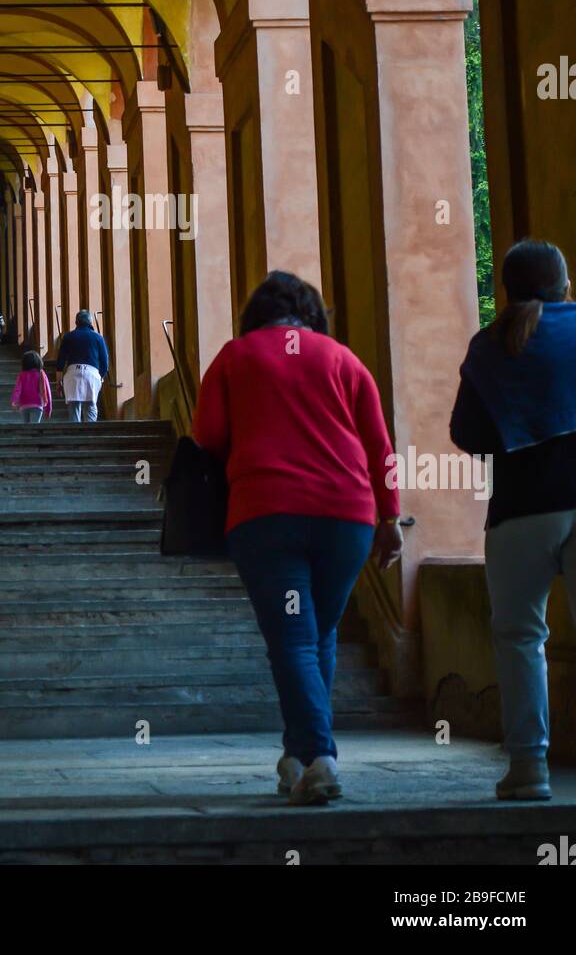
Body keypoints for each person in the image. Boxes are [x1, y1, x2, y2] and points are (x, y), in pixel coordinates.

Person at [193, 271, 402, 806]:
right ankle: (298, 756)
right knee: (320, 635)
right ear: (311, 314)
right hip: (347, 518)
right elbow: (381, 446)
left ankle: (319, 756)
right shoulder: (343, 360)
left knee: (292, 640)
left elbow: (207, 437)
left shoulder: (235, 358)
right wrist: (391, 519)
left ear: (255, 314)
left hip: (268, 517)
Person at [450, 239, 576, 802]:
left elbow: (466, 434)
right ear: (563, 285)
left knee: (522, 637)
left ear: (506, 289)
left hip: (521, 509)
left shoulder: (489, 346)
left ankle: (529, 769)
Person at [56, 310, 110, 422]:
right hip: (92, 374)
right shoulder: (98, 338)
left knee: (74, 408)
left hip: (72, 374)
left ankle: (75, 435)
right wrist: (100, 377)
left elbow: (60, 362)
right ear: (91, 323)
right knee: (90, 406)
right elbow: (104, 363)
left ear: (76, 322)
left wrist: (59, 382)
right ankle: (90, 434)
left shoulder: (68, 337)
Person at [12, 350, 53, 423]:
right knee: (35, 426)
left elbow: (17, 389)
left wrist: (14, 401)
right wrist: (48, 409)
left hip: (24, 405)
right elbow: (47, 392)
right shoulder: (41, 374)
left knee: (26, 427)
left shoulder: (22, 375)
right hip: (37, 404)